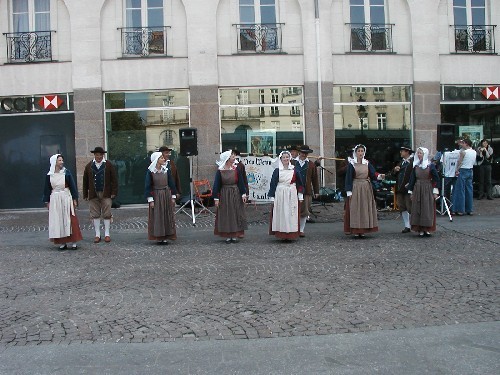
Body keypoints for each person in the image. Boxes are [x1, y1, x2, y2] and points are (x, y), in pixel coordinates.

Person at [43, 154, 83, 250]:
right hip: (55, 199)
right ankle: (62, 242)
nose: (62, 162)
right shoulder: (49, 175)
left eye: (62, 160)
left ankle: (74, 242)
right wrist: (47, 201)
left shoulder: (66, 173)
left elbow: (72, 186)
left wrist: (74, 199)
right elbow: (47, 189)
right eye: (59, 160)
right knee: (58, 220)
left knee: (70, 219)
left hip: (66, 198)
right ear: (54, 162)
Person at [344, 144, 385, 238]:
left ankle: (363, 229)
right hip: (356, 187)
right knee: (356, 208)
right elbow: (348, 178)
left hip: (366, 188)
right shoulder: (352, 164)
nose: (360, 153)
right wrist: (349, 191)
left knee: (364, 208)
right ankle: (356, 229)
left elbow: (373, 174)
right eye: (358, 151)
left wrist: (379, 176)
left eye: (362, 151)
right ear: (355, 152)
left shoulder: (367, 163)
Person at [83, 146, 119, 243]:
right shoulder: (89, 166)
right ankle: (97, 234)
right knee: (95, 214)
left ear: (103, 155)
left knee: (107, 213)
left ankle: (107, 234)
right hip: (93, 193)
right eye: (97, 155)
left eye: (100, 155)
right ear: (94, 155)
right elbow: (85, 181)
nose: (99, 157)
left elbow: (114, 180)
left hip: (106, 193)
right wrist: (85, 194)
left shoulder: (108, 165)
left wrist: (113, 192)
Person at [212, 150, 248, 243]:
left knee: (236, 213)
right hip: (225, 194)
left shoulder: (236, 169)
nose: (234, 158)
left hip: (235, 193)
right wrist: (216, 198)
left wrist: (243, 194)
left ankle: (235, 234)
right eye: (232, 156)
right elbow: (216, 185)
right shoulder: (220, 171)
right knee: (226, 214)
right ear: (227, 158)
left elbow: (240, 182)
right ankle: (228, 235)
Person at [268, 151, 304, 240]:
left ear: (290, 158)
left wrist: (300, 195)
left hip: (291, 193)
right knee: (281, 213)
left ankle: (291, 234)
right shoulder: (277, 171)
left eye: (287, 157)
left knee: (291, 214)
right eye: (284, 157)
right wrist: (272, 197)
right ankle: (282, 234)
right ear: (281, 159)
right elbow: (273, 184)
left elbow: (300, 183)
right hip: (280, 194)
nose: (285, 159)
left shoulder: (294, 169)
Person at [144, 152, 178, 245]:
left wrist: (173, 196)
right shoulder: (151, 172)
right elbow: (148, 186)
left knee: (167, 214)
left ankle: (166, 235)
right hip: (157, 195)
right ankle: (159, 236)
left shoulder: (166, 170)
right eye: (162, 158)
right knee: (158, 215)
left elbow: (171, 183)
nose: (164, 159)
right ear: (157, 160)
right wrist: (150, 199)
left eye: (163, 158)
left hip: (166, 194)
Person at [407, 147, 440, 237]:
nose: (419, 155)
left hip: (427, 188)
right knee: (418, 208)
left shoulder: (430, 165)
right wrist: (410, 191)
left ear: (425, 154)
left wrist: (435, 191)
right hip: (418, 188)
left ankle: (427, 228)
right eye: (418, 153)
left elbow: (436, 179)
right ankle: (420, 229)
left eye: (421, 153)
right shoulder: (416, 165)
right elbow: (412, 179)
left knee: (426, 208)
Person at [294, 145, 319, 237]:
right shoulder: (292, 163)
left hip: (306, 191)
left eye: (306, 153)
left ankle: (301, 230)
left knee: (305, 211)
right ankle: (293, 229)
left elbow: (315, 179)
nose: (304, 154)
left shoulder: (311, 164)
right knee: (293, 210)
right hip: (293, 190)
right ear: (299, 152)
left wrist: (316, 191)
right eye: (303, 152)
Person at [391, 146, 414, 233]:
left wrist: (411, 184)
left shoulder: (412, 162)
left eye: (402, 151)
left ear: (407, 152)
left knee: (410, 207)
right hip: (400, 188)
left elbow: (414, 175)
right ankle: (407, 225)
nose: (400, 153)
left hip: (408, 188)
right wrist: (395, 170)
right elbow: (394, 174)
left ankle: (414, 224)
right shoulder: (401, 162)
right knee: (402, 206)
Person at [451, 138, 476, 216]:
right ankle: (469, 209)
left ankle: (460, 209)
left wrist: (456, 170)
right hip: (470, 170)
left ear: (466, 144)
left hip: (463, 170)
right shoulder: (474, 152)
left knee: (460, 190)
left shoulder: (463, 152)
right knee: (469, 190)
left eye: (463, 143)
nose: (462, 145)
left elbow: (460, 162)